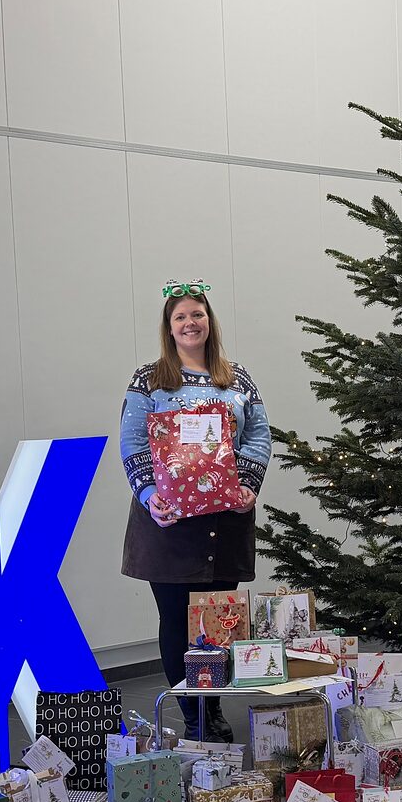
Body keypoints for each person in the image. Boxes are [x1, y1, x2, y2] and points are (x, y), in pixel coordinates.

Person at [120, 280, 271, 741]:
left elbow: (259, 435)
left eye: (198, 315)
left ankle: (214, 708)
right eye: (181, 317)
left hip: (224, 522)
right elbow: (133, 442)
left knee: (216, 621)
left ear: (210, 322)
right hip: (170, 525)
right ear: (169, 327)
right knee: (176, 622)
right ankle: (192, 714)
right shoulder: (149, 381)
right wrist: (150, 496)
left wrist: (247, 485)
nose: (191, 323)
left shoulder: (236, 378)